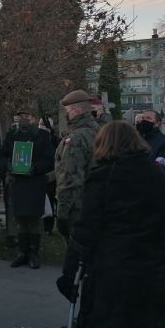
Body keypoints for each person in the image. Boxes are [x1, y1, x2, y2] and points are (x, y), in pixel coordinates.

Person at [59, 121, 165, 328]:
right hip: (153, 278)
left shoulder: (104, 177)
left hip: (114, 280)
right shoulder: (163, 175)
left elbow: (86, 230)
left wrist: (69, 273)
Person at [0, 110, 54, 268]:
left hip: (35, 182)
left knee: (34, 219)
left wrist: (34, 168)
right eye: (20, 117)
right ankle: (22, 253)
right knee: (20, 219)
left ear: (33, 118)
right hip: (18, 183)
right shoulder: (12, 135)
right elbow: (0, 156)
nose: (23, 120)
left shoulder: (42, 136)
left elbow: (49, 160)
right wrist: (8, 165)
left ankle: (33, 253)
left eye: (27, 117)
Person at [55, 90, 99, 238]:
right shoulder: (98, 131)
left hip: (76, 207)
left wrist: (62, 213)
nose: (66, 115)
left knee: (76, 253)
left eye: (67, 111)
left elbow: (70, 178)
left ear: (76, 110)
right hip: (94, 203)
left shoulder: (76, 138)